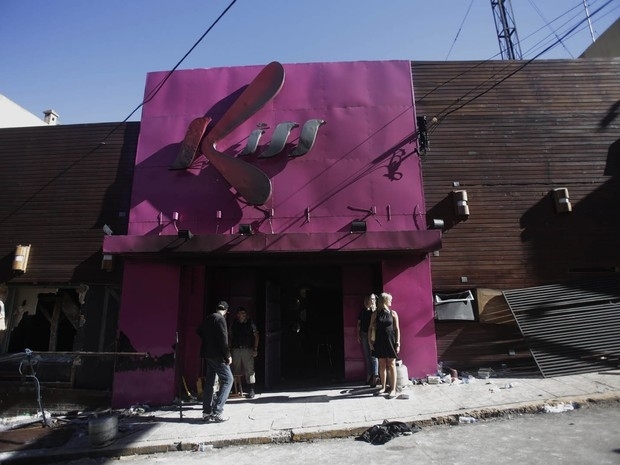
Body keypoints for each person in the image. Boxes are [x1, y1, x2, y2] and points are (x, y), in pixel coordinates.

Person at [196, 301, 233, 422]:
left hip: (207, 355)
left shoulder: (208, 318)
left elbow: (199, 331)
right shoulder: (220, 319)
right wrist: (228, 355)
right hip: (217, 355)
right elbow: (223, 339)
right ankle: (217, 411)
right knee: (228, 380)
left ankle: (206, 412)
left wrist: (208, 340)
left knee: (209, 382)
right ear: (226, 311)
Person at [369, 292, 401, 398]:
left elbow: (397, 329)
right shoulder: (375, 314)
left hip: (391, 341)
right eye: (389, 299)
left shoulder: (393, 313)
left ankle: (393, 389)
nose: (391, 301)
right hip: (379, 341)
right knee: (382, 364)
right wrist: (370, 342)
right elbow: (370, 328)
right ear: (384, 301)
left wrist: (398, 343)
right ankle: (383, 387)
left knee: (391, 364)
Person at [229, 306, 259, 398]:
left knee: (249, 369)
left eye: (244, 313)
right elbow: (230, 336)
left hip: (247, 349)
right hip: (236, 349)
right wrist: (229, 349)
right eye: (240, 313)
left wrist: (255, 349)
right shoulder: (234, 323)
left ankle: (251, 389)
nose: (242, 315)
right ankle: (236, 388)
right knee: (235, 369)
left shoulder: (250, 323)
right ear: (237, 315)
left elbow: (256, 335)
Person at [356, 294, 379, 386]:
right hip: (364, 334)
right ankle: (369, 374)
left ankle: (375, 376)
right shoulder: (363, 311)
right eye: (371, 299)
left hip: (373, 335)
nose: (372, 300)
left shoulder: (376, 311)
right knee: (367, 355)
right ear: (367, 300)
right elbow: (358, 324)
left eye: (374, 299)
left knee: (374, 355)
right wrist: (358, 334)